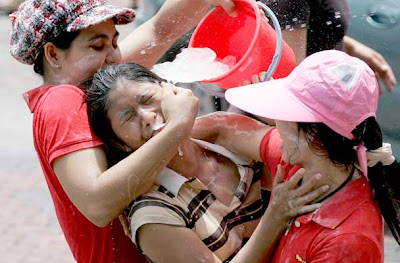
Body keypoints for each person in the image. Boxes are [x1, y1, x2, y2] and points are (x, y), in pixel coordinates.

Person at [9, 0, 237, 262]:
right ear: (53, 55)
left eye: (115, 43)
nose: (115, 57)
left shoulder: (95, 84)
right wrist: (176, 127)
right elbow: (97, 202)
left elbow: (159, 31)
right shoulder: (61, 100)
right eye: (98, 45)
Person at [85, 61, 329, 262]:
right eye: (128, 117)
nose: (147, 117)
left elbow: (309, 153)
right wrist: (276, 216)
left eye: (148, 99)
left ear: (171, 91)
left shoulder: (221, 135)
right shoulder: (153, 213)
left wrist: (278, 115)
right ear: (120, 144)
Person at [193, 50, 400, 261]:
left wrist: (275, 215)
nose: (275, 120)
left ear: (314, 134)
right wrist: (167, 133)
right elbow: (222, 128)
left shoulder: (348, 240)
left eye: (284, 112)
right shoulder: (304, 163)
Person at [259, 0, 397, 93]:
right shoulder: (290, 3)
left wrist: (350, 47)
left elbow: (316, 23)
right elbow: (289, 93)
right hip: (312, 123)